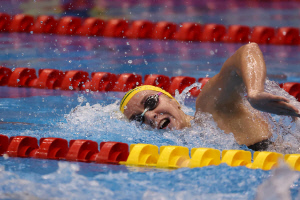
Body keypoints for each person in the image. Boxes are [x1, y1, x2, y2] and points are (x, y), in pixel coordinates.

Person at [119, 43, 300, 151]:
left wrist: (255, 92)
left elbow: (248, 50)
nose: (149, 116)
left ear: (173, 100)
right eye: (138, 119)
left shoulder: (210, 109)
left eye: (150, 103)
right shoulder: (185, 145)